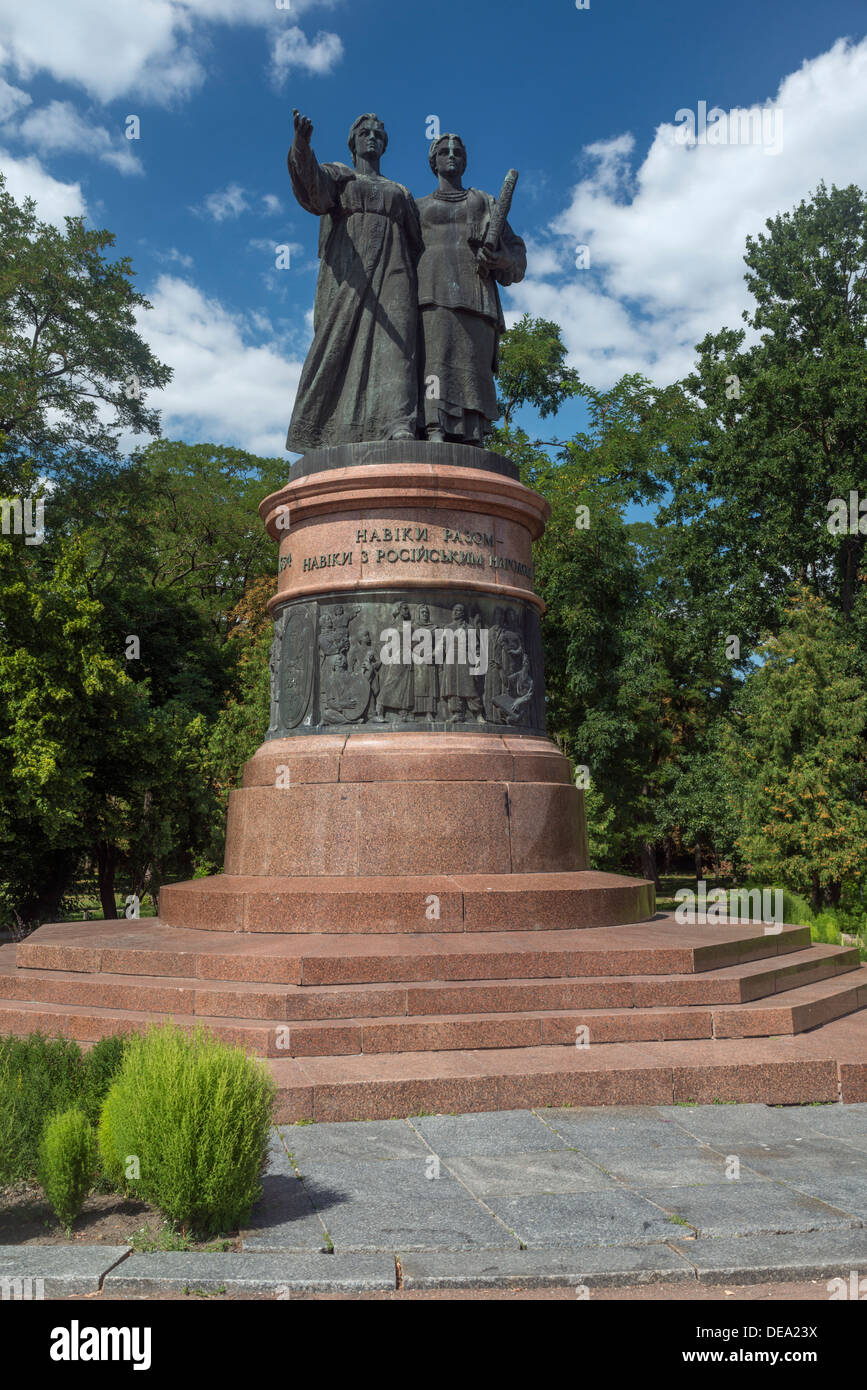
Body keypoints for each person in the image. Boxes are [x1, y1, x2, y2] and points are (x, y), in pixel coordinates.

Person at [287, 110, 422, 449]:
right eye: (365, 133)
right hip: (350, 274)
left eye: (378, 133)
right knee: (341, 346)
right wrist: (301, 146)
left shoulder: (400, 192)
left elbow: (419, 245)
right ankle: (336, 428)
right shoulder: (339, 177)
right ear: (354, 142)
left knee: (399, 344)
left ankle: (399, 422)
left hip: (396, 272)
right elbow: (313, 192)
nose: (372, 137)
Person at [416, 134, 526, 445]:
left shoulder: (485, 203)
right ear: (433, 161)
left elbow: (517, 254)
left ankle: (473, 434)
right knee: (434, 365)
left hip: (477, 297)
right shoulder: (417, 207)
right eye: (444, 151)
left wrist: (500, 258)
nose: (451, 156)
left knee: (472, 367)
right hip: (431, 295)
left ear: (465, 160)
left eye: (458, 152)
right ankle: (434, 426)